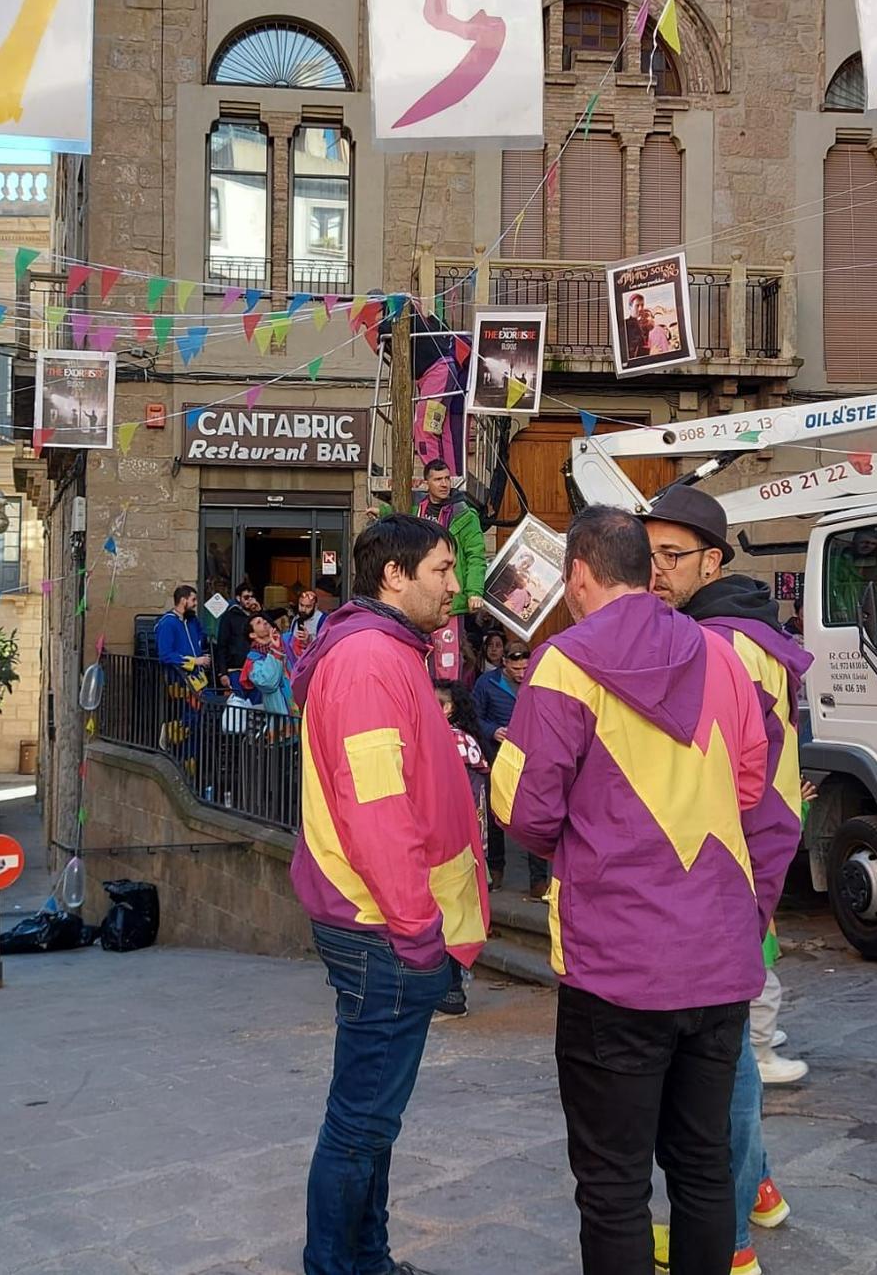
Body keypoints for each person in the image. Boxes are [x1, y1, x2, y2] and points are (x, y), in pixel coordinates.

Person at [493, 507, 786, 1275]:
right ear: (648, 571)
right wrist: (742, 913)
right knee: (702, 1167)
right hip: (718, 958)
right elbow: (760, 799)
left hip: (617, 963)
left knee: (614, 1184)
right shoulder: (728, 660)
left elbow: (525, 811)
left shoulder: (563, 664)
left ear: (579, 575)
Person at [290, 515, 489, 1275]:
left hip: (384, 922)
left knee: (371, 1121)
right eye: (442, 569)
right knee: (361, 1123)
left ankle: (366, 1260)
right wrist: (416, 929)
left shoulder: (382, 653)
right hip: (384, 926)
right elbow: (378, 812)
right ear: (392, 577)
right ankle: (340, 1267)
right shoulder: (373, 661)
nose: (455, 584)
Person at [643, 485, 811, 1275]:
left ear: (713, 560)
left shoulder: (721, 646)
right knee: (729, 1046)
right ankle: (762, 1190)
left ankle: (731, 1237)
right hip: (745, 864)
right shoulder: (736, 631)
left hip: (727, 871)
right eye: (647, 556)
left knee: (724, 1062)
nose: (655, 572)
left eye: (671, 557)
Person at [382, 461, 488, 690]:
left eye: (447, 478)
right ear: (425, 482)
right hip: (417, 597)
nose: (444, 484)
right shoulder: (416, 510)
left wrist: (474, 591)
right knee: (418, 657)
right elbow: (398, 518)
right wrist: (382, 513)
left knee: (447, 662)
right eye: (438, 479)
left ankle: (448, 717)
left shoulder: (465, 515)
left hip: (448, 601)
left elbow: (476, 555)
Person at [472, 641, 547, 898]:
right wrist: (493, 730)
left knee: (534, 817)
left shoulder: (539, 679)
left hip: (532, 758)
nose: (521, 673)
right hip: (497, 758)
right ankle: (496, 870)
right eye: (516, 668)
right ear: (504, 662)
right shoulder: (486, 684)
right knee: (495, 818)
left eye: (525, 667)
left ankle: (538, 880)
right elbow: (473, 716)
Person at [433, 679, 487, 1021]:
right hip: (459, 845)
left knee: (447, 918)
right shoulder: (460, 742)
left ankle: (450, 990)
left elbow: (462, 799)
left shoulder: (452, 743)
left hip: (448, 845)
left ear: (449, 708)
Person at [155, 585, 212, 761]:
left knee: (201, 718)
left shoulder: (192, 621)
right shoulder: (167, 623)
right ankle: (171, 732)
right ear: (183, 600)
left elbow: (201, 638)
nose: (195, 604)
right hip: (179, 681)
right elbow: (165, 655)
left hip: (199, 679)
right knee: (192, 718)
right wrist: (195, 661)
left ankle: (190, 758)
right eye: (193, 600)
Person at [242, 613, 294, 717]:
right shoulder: (253, 659)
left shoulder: (288, 641)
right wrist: (275, 652)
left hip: (298, 705)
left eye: (264, 620)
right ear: (253, 635)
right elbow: (267, 683)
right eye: (259, 622)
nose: (265, 622)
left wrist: (306, 641)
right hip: (280, 715)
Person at [215, 580, 260, 679]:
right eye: (246, 597)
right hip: (236, 670)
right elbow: (222, 645)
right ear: (238, 598)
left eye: (252, 597)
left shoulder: (257, 617)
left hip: (256, 669)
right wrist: (223, 672)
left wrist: (260, 612)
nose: (250, 601)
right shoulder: (230, 616)